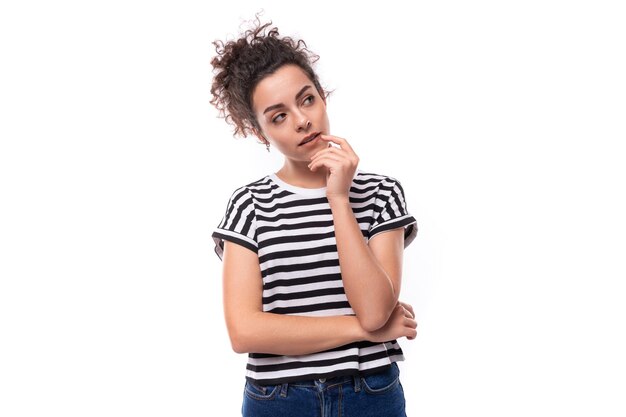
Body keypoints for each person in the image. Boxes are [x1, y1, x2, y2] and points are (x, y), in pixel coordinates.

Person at [209, 15, 419, 417]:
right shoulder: (249, 206)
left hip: (369, 393)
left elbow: (376, 308)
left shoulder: (380, 194)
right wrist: (362, 331)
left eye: (307, 99)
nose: (302, 119)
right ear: (258, 132)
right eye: (278, 116)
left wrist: (338, 198)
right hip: (278, 398)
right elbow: (245, 331)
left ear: (323, 96)